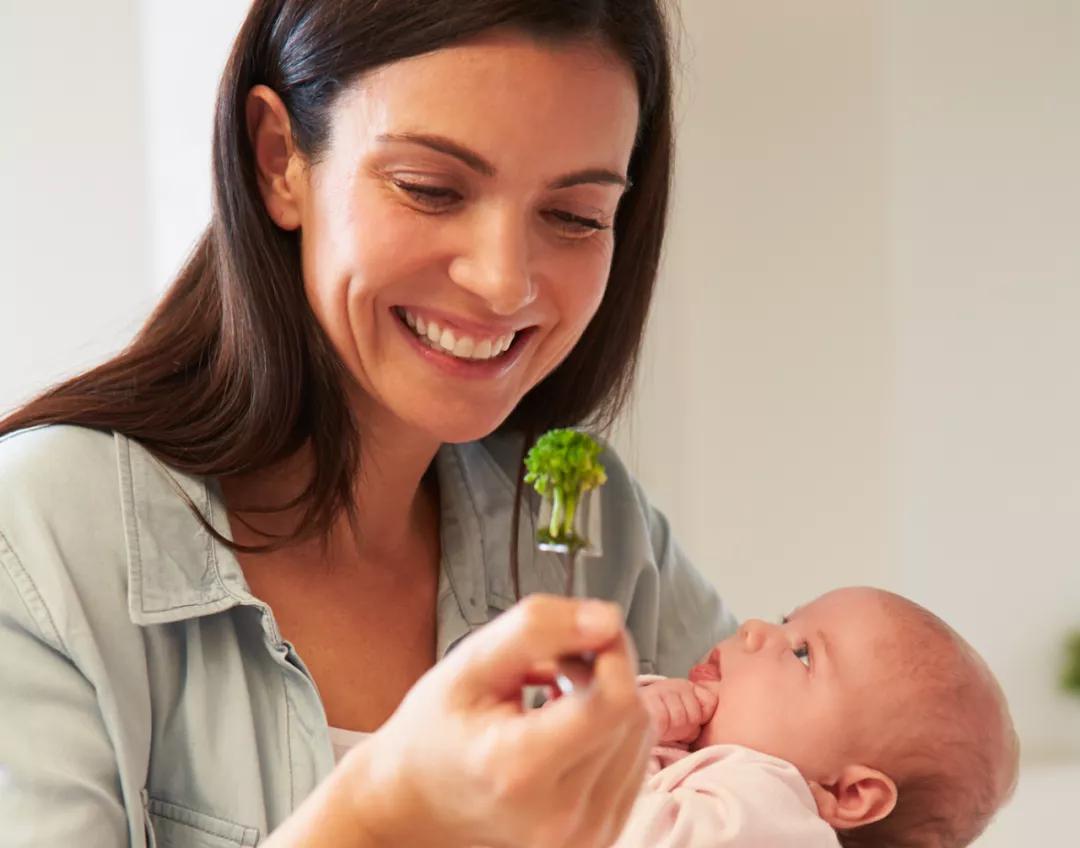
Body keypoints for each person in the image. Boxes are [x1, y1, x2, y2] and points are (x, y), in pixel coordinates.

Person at [0, 2, 738, 846]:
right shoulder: (35, 545)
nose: (504, 283)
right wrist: (382, 810)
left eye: (572, 216)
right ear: (280, 160)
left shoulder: (595, 536)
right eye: (430, 189)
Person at [613, 587, 1019, 847]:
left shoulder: (769, 821)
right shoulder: (725, 790)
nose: (754, 630)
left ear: (849, 794)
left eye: (802, 653)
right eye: (784, 622)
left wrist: (626, 729)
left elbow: (595, 828)